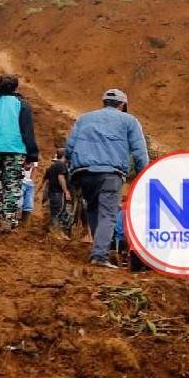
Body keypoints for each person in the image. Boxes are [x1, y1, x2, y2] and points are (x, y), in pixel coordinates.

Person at [65, 88, 149, 268]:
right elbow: (139, 152)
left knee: (93, 210)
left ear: (104, 102)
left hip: (83, 172)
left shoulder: (84, 118)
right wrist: (144, 174)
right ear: (122, 104)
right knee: (108, 214)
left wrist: (72, 167)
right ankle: (100, 255)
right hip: (110, 173)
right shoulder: (129, 121)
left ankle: (99, 249)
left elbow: (69, 147)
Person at [0, 74, 40, 231]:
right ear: (16, 87)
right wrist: (32, 154)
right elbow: (27, 131)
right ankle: (8, 220)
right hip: (14, 149)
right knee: (12, 184)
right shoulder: (21, 104)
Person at [37, 148, 72, 239]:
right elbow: (61, 178)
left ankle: (57, 233)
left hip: (51, 193)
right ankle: (55, 233)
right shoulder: (61, 165)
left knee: (55, 212)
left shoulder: (51, 166)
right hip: (58, 193)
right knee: (58, 213)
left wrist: (38, 192)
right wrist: (66, 191)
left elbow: (44, 180)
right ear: (64, 155)